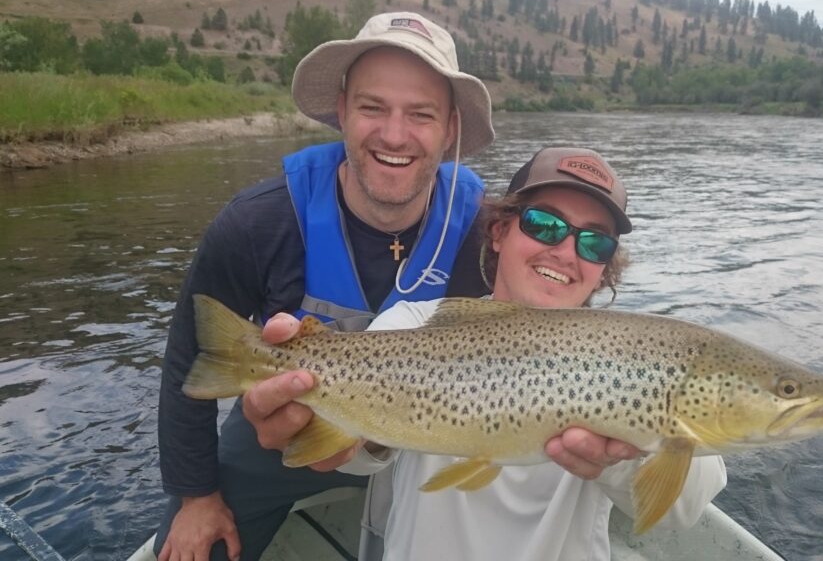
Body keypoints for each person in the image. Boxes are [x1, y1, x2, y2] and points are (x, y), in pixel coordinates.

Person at [253, 147, 728, 560]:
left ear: (603, 270)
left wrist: (615, 453)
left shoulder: (633, 356)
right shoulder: (414, 326)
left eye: (594, 241)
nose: (565, 251)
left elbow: (686, 506)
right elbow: (356, 455)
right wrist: (316, 418)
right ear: (499, 232)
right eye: (544, 224)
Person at [155, 11, 495, 561]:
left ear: (451, 128)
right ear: (341, 111)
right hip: (284, 432)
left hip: (432, 440)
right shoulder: (256, 224)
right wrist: (196, 495)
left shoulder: (485, 233)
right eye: (371, 107)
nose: (393, 134)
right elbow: (187, 363)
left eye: (421, 114)